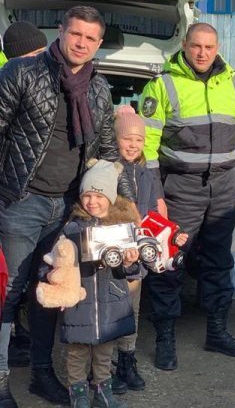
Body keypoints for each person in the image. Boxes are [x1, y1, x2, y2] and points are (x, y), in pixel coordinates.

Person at [0, 6, 132, 407]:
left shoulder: (97, 88)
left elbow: (109, 153)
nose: (82, 43)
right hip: (21, 201)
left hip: (68, 208)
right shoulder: (21, 73)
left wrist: (126, 208)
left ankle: (42, 373)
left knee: (53, 288)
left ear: (98, 43)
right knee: (9, 291)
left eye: (91, 39)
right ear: (60, 31)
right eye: (76, 34)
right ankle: (2, 380)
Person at [139, 22, 235, 371]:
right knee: (170, 262)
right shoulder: (163, 85)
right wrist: (154, 195)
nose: (202, 53)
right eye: (196, 46)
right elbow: (146, 148)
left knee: (219, 262)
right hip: (179, 190)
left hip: (222, 189)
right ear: (184, 45)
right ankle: (164, 338)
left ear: (217, 47)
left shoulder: (233, 84)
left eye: (209, 47)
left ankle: (217, 332)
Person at [111, 106, 188, 394]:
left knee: (132, 307)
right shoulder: (108, 170)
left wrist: (170, 235)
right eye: (127, 139)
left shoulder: (145, 173)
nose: (133, 145)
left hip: (139, 254)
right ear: (115, 138)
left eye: (139, 140)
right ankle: (107, 366)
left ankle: (127, 360)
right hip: (116, 252)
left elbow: (153, 215)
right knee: (112, 309)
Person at [52, 159, 138, 408]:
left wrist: (131, 260)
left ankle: (103, 393)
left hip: (111, 301)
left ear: (110, 197)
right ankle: (77, 394)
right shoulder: (71, 228)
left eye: (99, 196)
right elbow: (54, 259)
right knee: (76, 353)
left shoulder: (121, 229)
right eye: (87, 195)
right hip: (80, 301)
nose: (93, 201)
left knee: (104, 354)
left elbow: (132, 271)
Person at [0, 20, 48, 368]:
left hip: (46, 200)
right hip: (16, 198)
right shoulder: (11, 84)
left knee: (30, 279)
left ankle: (22, 339)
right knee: (10, 283)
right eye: (36, 54)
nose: (42, 60)